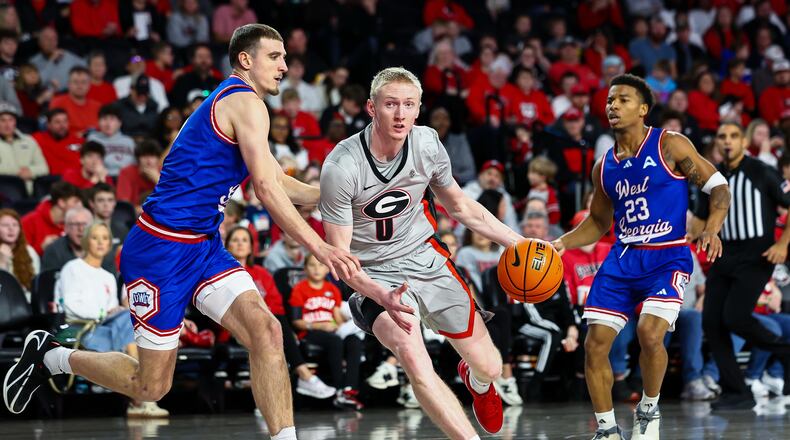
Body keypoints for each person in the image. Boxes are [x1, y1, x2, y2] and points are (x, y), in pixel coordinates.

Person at [4, 25, 359, 440]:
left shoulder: (243, 105)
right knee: (151, 386)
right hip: (160, 249)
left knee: (266, 331)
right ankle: (52, 356)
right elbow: (263, 190)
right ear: (246, 60)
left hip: (203, 246)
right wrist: (319, 245)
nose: (285, 66)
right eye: (275, 56)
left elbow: (277, 180)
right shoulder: (245, 101)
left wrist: (339, 194)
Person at [320, 67, 527, 438]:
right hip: (373, 273)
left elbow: (461, 207)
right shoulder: (342, 164)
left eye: (408, 105)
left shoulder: (428, 143)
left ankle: (478, 382)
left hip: (426, 257)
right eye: (390, 104)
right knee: (416, 360)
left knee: (491, 366)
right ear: (371, 107)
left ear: (418, 110)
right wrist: (380, 293)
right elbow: (341, 259)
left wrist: (518, 242)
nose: (399, 114)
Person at [551, 74, 730, 439]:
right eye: (610, 100)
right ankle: (606, 430)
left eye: (624, 100)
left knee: (650, 333)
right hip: (623, 259)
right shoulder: (604, 166)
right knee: (594, 344)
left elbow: (718, 186)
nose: (613, 105)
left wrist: (711, 227)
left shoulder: (670, 145)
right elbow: (599, 222)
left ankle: (648, 409)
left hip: (667, 256)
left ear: (643, 109)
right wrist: (563, 243)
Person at [692, 122, 790, 410]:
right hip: (724, 254)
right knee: (711, 321)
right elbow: (699, 220)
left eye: (734, 136)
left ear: (743, 141)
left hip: (757, 254)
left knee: (734, 317)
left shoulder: (761, 171)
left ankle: (784, 351)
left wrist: (783, 244)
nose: (727, 141)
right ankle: (736, 391)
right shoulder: (711, 178)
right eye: (722, 136)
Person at [54, 221, 167, 417]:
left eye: (105, 238)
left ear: (109, 244)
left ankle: (140, 397)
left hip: (107, 328)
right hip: (79, 329)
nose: (100, 242)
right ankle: (142, 397)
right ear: (86, 240)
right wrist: (103, 314)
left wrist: (113, 312)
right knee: (130, 323)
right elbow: (69, 304)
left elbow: (110, 308)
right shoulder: (72, 268)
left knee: (129, 318)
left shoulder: (108, 276)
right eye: (95, 237)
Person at [225, 226, 336, 401]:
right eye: (235, 240)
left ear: (251, 247)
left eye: (244, 240)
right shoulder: (221, 274)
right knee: (271, 329)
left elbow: (276, 303)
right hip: (234, 324)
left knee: (276, 325)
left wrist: (266, 316)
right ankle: (302, 376)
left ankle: (274, 396)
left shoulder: (261, 274)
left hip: (265, 324)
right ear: (226, 245)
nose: (240, 244)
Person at [289, 254, 364, 410]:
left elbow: (336, 317)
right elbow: (296, 322)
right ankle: (338, 389)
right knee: (335, 341)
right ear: (305, 269)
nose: (317, 269)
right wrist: (319, 326)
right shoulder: (299, 289)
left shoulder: (332, 289)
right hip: (310, 332)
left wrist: (342, 325)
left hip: (331, 330)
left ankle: (349, 389)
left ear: (327, 268)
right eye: (312, 265)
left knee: (354, 341)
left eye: (320, 265)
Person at [41, 206, 116, 274]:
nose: (81, 229)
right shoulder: (54, 251)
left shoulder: (102, 251)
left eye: (85, 224)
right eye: (76, 224)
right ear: (66, 228)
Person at [21, 181, 83, 255]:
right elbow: (21, 256)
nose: (80, 206)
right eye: (75, 201)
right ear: (61, 203)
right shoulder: (29, 221)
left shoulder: (76, 223)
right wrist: (42, 248)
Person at [0, 101, 48, 193]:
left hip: (29, 188)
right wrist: (17, 172)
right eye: (2, 120)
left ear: (15, 122)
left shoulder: (29, 140)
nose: (7, 124)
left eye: (11, 120)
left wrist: (31, 171)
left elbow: (44, 167)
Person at [86, 104, 136, 178]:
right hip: (102, 177)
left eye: (112, 119)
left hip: (127, 178)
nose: (108, 123)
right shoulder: (93, 139)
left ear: (119, 123)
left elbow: (135, 164)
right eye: (104, 119)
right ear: (98, 122)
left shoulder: (129, 141)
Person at [32, 108, 83, 177]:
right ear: (48, 125)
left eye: (65, 121)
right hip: (50, 181)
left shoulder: (79, 141)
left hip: (77, 180)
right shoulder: (37, 139)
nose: (62, 125)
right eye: (57, 122)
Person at [0, 208, 39, 295]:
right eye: (5, 225)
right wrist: (2, 263)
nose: (11, 229)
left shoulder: (29, 251)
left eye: (15, 225)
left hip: (25, 303)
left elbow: (35, 286)